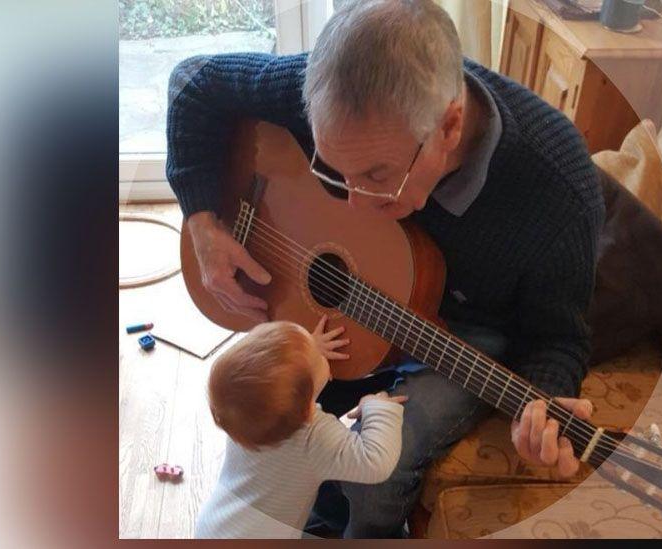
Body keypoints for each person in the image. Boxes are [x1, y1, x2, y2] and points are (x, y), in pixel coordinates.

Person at [167, 0, 603, 538]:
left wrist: (545, 404)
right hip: (351, 310)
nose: (352, 202)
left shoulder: (557, 186)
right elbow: (193, 84)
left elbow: (558, 336)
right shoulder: (341, 92)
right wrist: (203, 223)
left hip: (469, 332)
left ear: (449, 125)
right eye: (332, 169)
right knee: (268, 413)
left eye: (377, 174)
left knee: (386, 462)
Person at [195, 316, 407, 538]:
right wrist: (377, 407)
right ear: (308, 410)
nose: (316, 346)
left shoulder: (246, 412)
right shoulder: (313, 434)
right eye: (315, 355)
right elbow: (375, 461)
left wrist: (306, 353)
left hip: (214, 527)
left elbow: (280, 373)